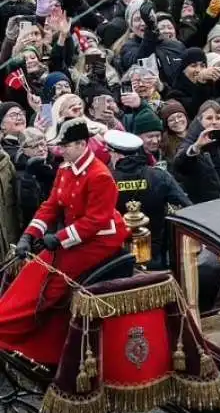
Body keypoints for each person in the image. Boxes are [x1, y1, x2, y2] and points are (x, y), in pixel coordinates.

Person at [0, 118, 128, 367]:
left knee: (53, 281)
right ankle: (7, 320)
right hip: (76, 235)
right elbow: (51, 205)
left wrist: (58, 238)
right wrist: (30, 235)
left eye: (65, 145)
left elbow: (95, 221)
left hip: (100, 240)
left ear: (82, 144)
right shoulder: (65, 168)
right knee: (35, 269)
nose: (60, 150)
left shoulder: (100, 175)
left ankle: (25, 333)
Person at [105, 129, 191, 269]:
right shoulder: (159, 176)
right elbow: (187, 206)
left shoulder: (107, 180)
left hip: (118, 258)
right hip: (155, 255)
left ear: (116, 154)